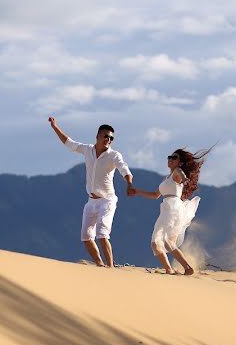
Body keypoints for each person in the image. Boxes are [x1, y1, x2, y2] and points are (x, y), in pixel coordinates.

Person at [48, 117, 134, 267]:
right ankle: (100, 265)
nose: (109, 139)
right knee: (86, 237)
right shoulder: (88, 150)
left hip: (107, 200)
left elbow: (124, 169)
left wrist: (129, 183)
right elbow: (69, 143)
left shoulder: (114, 155)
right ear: (98, 136)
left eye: (111, 138)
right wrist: (55, 127)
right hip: (91, 201)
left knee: (102, 234)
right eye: (106, 136)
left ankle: (111, 267)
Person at [129, 147, 211, 275]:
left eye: (174, 158)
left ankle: (188, 268)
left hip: (173, 207)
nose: (170, 159)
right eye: (169, 157)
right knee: (155, 243)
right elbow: (155, 195)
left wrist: (184, 180)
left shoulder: (177, 172)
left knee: (168, 241)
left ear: (180, 163)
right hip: (165, 208)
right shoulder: (167, 179)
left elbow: (183, 177)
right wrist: (137, 191)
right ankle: (169, 269)